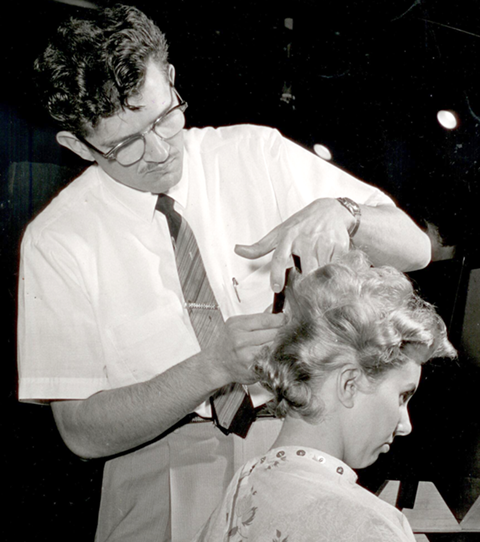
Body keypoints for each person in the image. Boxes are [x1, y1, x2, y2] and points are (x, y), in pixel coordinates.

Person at [17, 5, 432, 542]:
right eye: (125, 145)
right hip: (157, 473)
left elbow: (415, 247)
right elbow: (80, 432)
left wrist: (344, 214)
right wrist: (210, 367)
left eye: (164, 117)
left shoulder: (254, 153)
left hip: (292, 451)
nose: (161, 150)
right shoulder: (57, 240)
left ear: (170, 79)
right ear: (77, 146)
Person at [194, 250, 456, 542]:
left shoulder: (242, 485)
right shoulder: (373, 526)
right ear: (349, 384)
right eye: (401, 397)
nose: (405, 425)